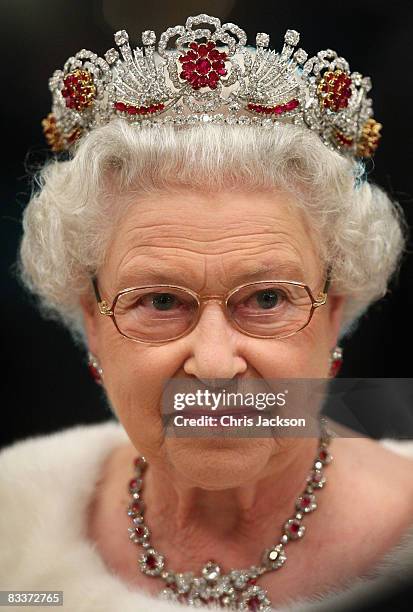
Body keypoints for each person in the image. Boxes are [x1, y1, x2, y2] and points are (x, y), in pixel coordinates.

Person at [1, 13, 413, 612]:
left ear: (335, 314)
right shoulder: (14, 516)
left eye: (267, 299)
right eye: (160, 302)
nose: (215, 364)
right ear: (92, 321)